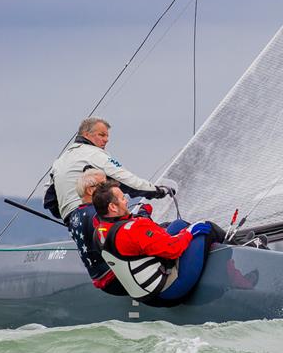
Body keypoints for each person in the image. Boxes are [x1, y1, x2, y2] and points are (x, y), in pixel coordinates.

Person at [92, 181, 224, 307]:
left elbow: (130, 240)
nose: (126, 201)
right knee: (206, 228)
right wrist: (190, 232)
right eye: (122, 198)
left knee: (179, 225)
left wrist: (141, 219)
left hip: (144, 294)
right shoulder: (134, 229)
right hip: (168, 291)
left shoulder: (99, 230)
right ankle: (233, 258)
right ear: (112, 207)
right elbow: (173, 249)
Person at [44, 117, 170, 221]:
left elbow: (49, 200)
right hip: (93, 214)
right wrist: (157, 191)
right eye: (102, 135)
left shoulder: (59, 162)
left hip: (73, 220)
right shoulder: (94, 154)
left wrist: (69, 215)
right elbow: (127, 180)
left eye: (107, 136)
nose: (106, 139)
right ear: (86, 135)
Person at [67, 170, 126, 296]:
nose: (109, 188)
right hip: (117, 278)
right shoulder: (98, 214)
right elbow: (123, 237)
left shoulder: (73, 216)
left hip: (99, 279)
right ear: (90, 191)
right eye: (103, 184)